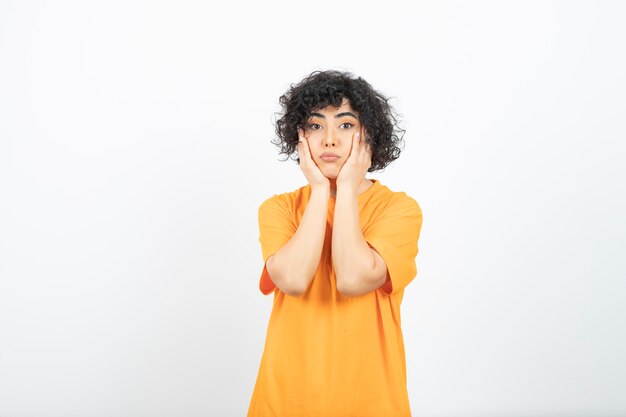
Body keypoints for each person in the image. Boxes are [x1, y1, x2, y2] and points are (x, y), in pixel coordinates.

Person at [247, 70, 423, 417]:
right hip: (283, 402)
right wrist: (318, 191)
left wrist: (344, 189)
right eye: (315, 126)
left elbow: (353, 279)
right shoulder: (279, 208)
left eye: (345, 125)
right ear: (300, 138)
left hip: (371, 402)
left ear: (368, 135)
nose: (329, 140)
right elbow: (294, 281)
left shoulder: (399, 209)